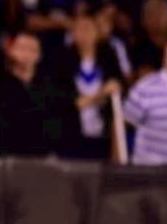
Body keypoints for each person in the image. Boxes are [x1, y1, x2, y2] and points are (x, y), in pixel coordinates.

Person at [53, 15, 124, 161]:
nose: (84, 33)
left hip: (101, 137)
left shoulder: (108, 59)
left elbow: (117, 98)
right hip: (71, 138)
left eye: (88, 28)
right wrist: (101, 94)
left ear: (97, 33)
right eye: (79, 28)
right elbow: (71, 103)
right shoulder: (61, 61)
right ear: (72, 34)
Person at [0, 31, 66, 158]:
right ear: (11, 51)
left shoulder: (48, 85)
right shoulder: (1, 81)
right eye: (21, 48)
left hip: (41, 155)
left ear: (39, 55)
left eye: (31, 49)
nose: (26, 54)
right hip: (9, 155)